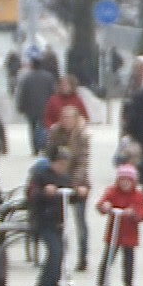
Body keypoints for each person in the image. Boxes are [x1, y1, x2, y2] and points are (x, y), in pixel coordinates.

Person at [45, 105, 93, 271]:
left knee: (80, 221)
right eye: (63, 117)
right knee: (58, 221)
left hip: (77, 181)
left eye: (69, 118)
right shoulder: (55, 133)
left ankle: (83, 256)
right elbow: (49, 156)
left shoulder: (82, 135)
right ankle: (59, 256)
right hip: (58, 179)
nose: (66, 121)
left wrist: (75, 183)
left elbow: (83, 161)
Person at [29, 147, 76, 286]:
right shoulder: (41, 176)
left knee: (60, 254)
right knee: (55, 252)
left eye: (65, 164)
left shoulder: (65, 178)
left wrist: (80, 192)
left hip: (59, 222)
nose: (63, 167)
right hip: (44, 221)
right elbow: (32, 194)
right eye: (60, 164)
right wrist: (44, 192)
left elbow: (72, 195)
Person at [95, 164, 143, 286]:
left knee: (128, 263)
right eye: (122, 180)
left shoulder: (138, 196)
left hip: (130, 234)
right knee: (107, 260)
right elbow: (102, 203)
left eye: (128, 180)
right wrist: (105, 206)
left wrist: (134, 213)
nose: (125, 183)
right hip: (114, 233)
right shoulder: (112, 192)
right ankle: (100, 285)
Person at [16, 61, 56, 156]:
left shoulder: (27, 78)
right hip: (45, 107)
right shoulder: (48, 77)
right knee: (45, 127)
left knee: (32, 128)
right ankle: (44, 145)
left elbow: (23, 93)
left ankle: (35, 149)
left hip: (31, 108)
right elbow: (53, 92)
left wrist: (21, 107)